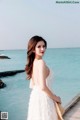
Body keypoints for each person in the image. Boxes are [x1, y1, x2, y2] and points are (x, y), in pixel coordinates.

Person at [25, 35, 62, 120]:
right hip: (44, 98)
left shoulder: (34, 62)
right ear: (33, 49)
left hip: (35, 98)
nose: (43, 49)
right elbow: (43, 87)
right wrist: (56, 98)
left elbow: (33, 85)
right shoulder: (41, 62)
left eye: (44, 46)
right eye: (39, 47)